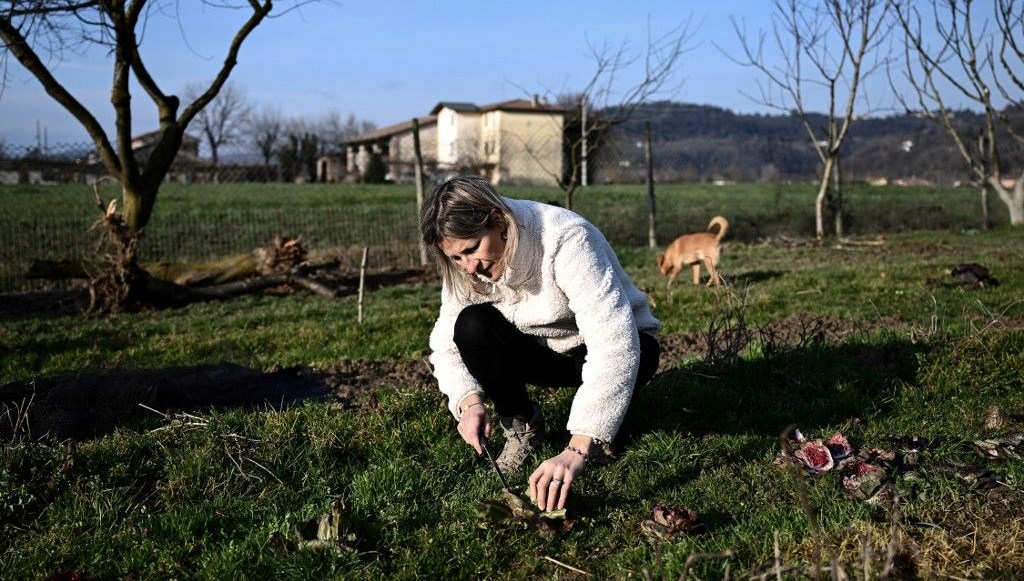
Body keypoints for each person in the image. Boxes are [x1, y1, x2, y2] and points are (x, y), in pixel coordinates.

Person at [421, 175, 661, 512]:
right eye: (457, 258)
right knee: (471, 325)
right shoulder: (467, 268)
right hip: (542, 350)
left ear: (499, 220)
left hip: (606, 347)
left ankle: (599, 435)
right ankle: (522, 425)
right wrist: (468, 402)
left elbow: (614, 342)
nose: (470, 267)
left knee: (642, 351)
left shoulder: (566, 238)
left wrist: (577, 448)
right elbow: (445, 343)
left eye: (473, 249)